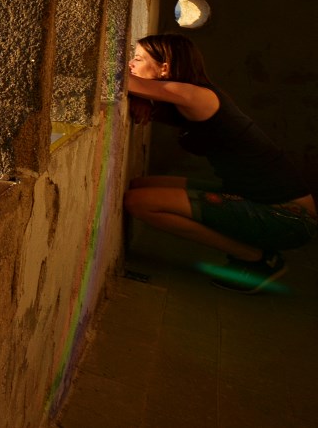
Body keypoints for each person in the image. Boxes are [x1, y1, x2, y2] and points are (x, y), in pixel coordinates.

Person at [123, 33, 318, 292]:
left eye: (137, 58)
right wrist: (141, 98)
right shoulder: (186, 98)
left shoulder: (196, 95)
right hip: (255, 197)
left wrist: (139, 92)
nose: (130, 64)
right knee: (140, 186)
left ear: (165, 67)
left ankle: (256, 258)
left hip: (289, 216)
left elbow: (119, 80)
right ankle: (257, 250)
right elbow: (139, 88)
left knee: (137, 203)